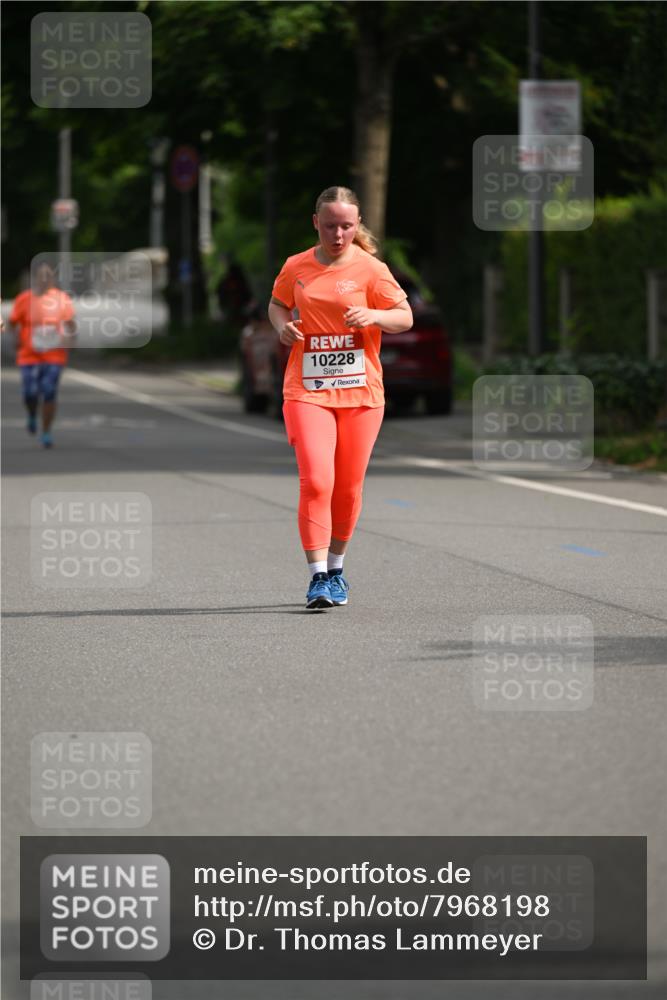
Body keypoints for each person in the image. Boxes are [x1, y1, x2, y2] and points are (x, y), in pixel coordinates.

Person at [268, 186, 413, 610]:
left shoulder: (371, 269)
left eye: (346, 226)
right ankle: (317, 577)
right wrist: (282, 327)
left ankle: (336, 570)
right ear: (316, 222)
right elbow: (277, 305)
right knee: (317, 480)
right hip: (307, 390)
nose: (338, 234)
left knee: (347, 487)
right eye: (330, 225)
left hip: (361, 393)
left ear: (357, 224)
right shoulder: (296, 266)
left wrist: (374, 315)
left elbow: (404, 317)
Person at [6, 262, 76, 449]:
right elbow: (13, 322)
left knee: (49, 391)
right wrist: (15, 338)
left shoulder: (61, 299)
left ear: (52, 279)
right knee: (30, 393)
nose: (45, 279)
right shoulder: (24, 299)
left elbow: (70, 323)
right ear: (35, 278)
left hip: (54, 355)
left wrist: (70, 338)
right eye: (41, 276)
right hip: (29, 355)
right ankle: (31, 414)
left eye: (48, 276)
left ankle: (46, 432)